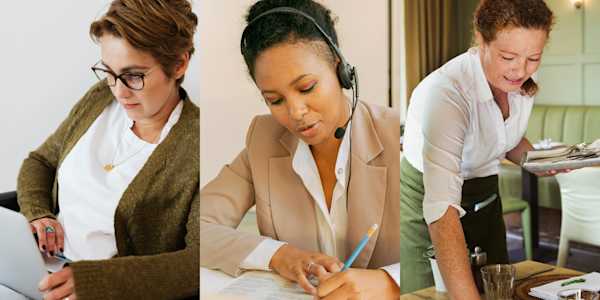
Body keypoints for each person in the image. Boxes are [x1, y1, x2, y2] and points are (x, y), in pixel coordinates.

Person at [200, 0, 400, 298]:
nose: (295, 112)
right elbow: (196, 228)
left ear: (340, 69)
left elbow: (441, 245)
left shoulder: (398, 135)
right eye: (274, 100)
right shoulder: (264, 140)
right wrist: (278, 255)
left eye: (306, 88)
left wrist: (389, 281)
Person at [16, 1, 199, 299]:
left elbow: (196, 263)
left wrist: (96, 281)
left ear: (179, 64)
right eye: (109, 72)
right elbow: (40, 162)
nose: (119, 91)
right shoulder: (100, 99)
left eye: (133, 76)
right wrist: (39, 215)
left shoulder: (198, 146)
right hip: (42, 275)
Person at [400, 0, 556, 298]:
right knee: (429, 293)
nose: (520, 69)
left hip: (485, 196)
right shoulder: (446, 93)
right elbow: (441, 208)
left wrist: (543, 161)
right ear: (481, 40)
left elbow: (506, 140)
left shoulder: (519, 79)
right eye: (508, 56)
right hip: (428, 201)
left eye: (534, 57)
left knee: (497, 290)